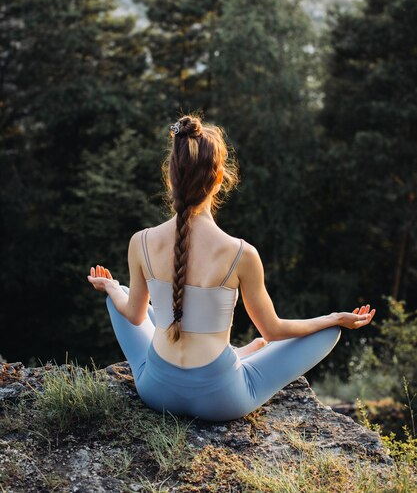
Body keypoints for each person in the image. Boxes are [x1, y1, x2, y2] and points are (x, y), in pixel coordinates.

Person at [87, 114, 376, 422]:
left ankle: (239, 353)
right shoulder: (241, 254)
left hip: (156, 393)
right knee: (328, 332)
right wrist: (333, 318)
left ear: (170, 177)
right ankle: (240, 356)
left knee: (123, 296)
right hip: (221, 401)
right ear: (219, 179)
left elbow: (133, 314)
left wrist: (111, 288)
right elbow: (274, 331)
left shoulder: (140, 241)